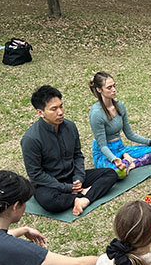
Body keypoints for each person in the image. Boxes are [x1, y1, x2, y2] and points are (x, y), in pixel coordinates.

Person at [21, 85, 118, 216]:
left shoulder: (70, 126)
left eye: (61, 106)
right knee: (49, 202)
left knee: (110, 174)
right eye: (53, 109)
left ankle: (84, 199)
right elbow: (35, 174)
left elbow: (78, 155)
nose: (60, 112)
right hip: (50, 184)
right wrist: (65, 188)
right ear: (40, 112)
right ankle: (83, 194)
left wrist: (79, 177)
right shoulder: (31, 139)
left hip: (72, 177)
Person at [88, 72, 151, 177]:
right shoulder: (96, 114)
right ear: (99, 90)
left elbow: (130, 134)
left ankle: (131, 163)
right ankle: (126, 159)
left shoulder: (120, 106)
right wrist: (114, 159)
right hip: (104, 153)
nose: (113, 90)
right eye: (109, 87)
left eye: (114, 86)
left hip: (120, 148)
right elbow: (102, 146)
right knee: (118, 172)